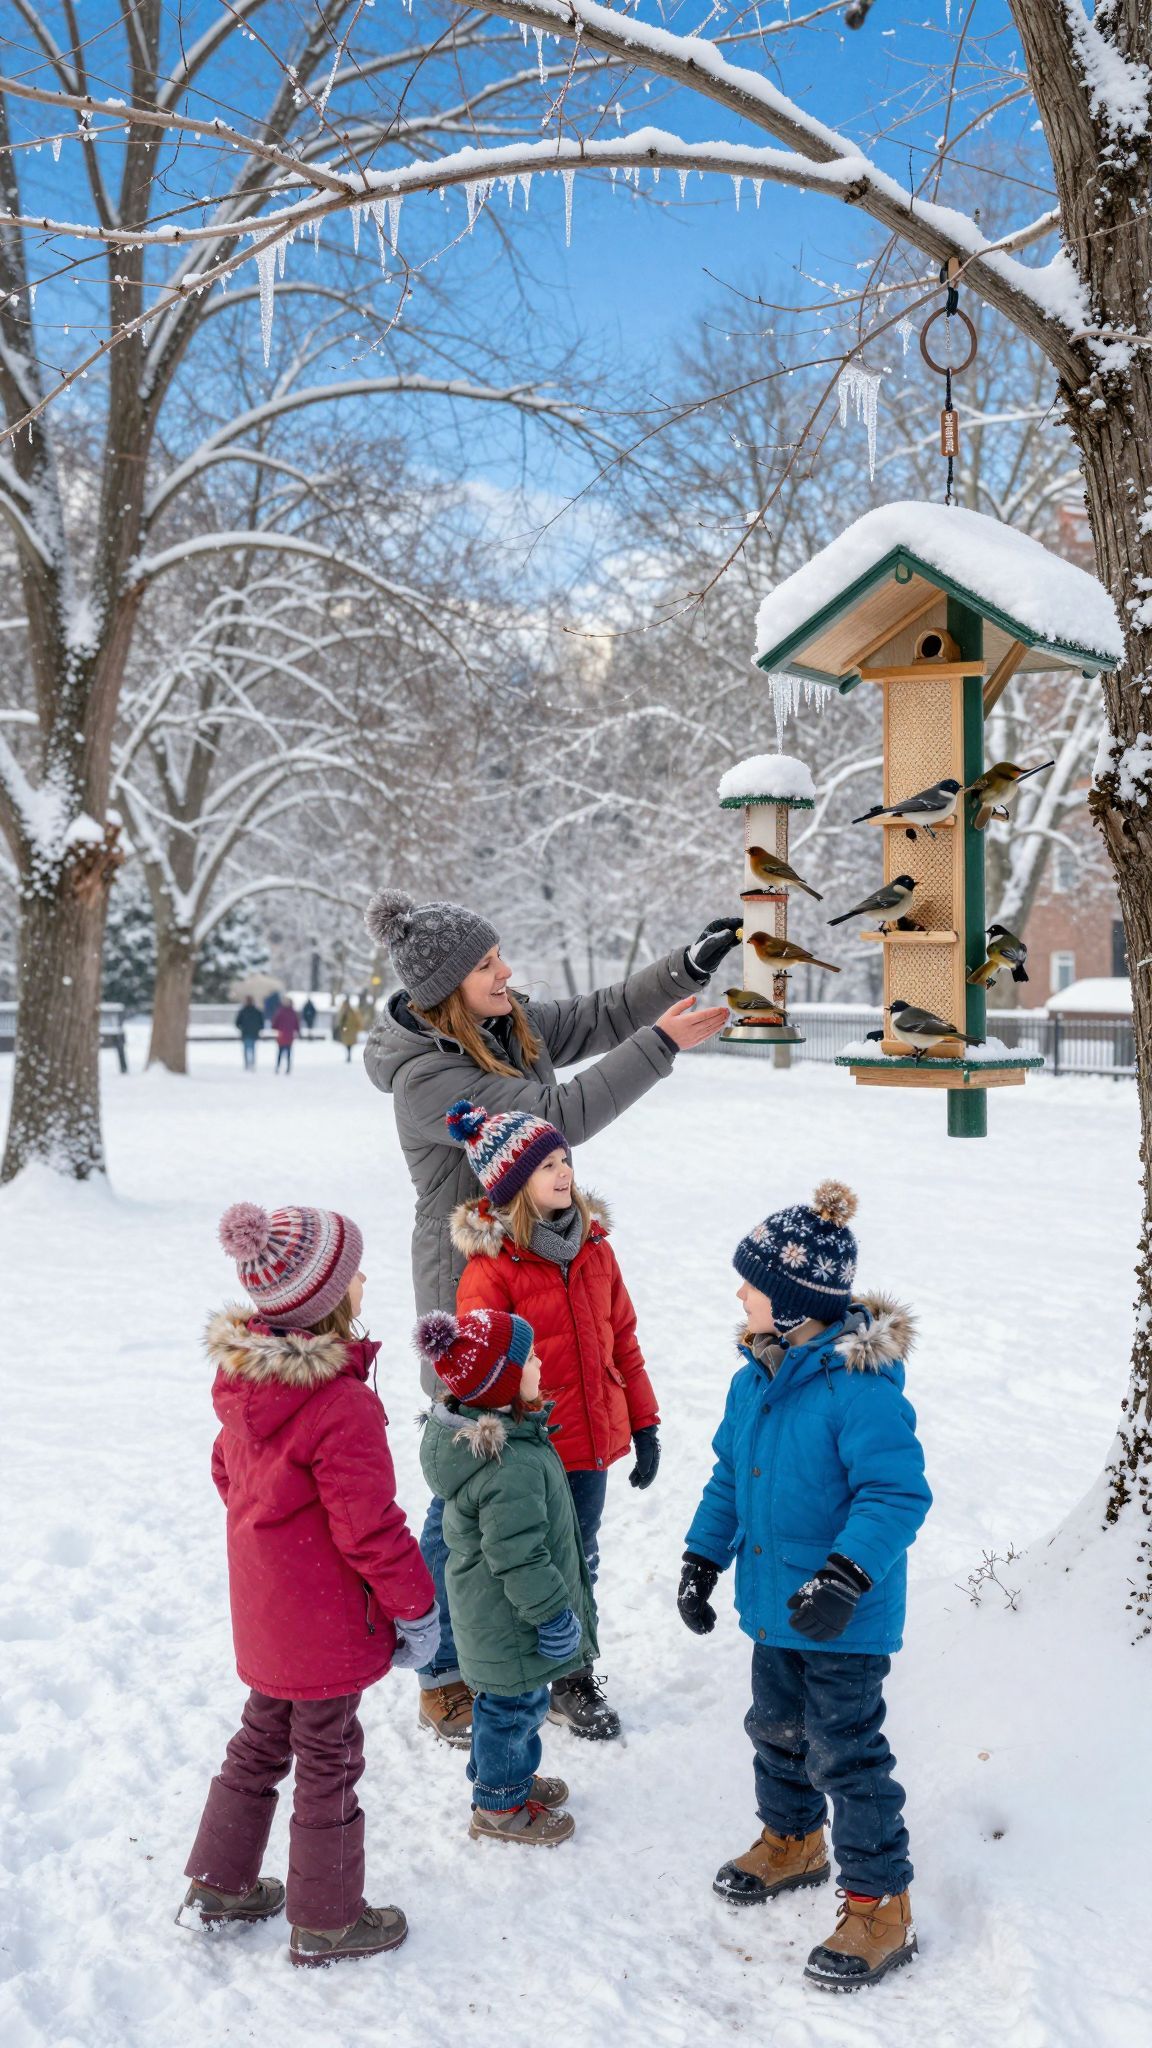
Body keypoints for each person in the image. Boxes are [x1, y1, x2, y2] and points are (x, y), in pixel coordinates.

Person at [361, 886, 735, 1747]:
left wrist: (681, 971)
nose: (508, 971)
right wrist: (663, 1046)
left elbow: (594, 1017)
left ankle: (565, 1665)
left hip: (548, 1262)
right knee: (476, 1490)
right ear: (447, 988)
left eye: (500, 957)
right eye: (489, 964)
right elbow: (552, 1120)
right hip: (476, 1288)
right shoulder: (430, 1081)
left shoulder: (500, 1024)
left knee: (564, 1482)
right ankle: (442, 1667)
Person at [677, 1182, 930, 1993]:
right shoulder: (754, 1379)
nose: (739, 1295)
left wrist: (847, 1574)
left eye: (751, 1284)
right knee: (776, 1729)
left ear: (791, 1306)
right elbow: (730, 1476)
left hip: (843, 1618)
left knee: (846, 1754)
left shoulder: (857, 1393)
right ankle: (793, 1841)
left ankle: (880, 1901)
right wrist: (702, 1557)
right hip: (772, 1606)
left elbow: (896, 1495)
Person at [179, 1200, 439, 1967]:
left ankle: (220, 1881)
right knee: (328, 1754)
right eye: (353, 1268)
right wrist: (416, 1610)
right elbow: (370, 1527)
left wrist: (275, 1546)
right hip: (324, 1621)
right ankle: (328, 1919)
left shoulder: (246, 1386)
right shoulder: (339, 1404)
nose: (365, 1276)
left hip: (267, 1613)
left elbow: (228, 1474)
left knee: (262, 1736)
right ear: (326, 1300)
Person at [448, 1098, 658, 1741]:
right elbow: (481, 1367)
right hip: (531, 1450)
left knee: (582, 1557)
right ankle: (519, 1676)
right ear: (513, 1186)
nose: (563, 1173)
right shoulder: (491, 1269)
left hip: (591, 1439)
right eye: (545, 1166)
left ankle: (572, 1677)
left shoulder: (594, 1247)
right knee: (528, 1562)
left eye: (564, 1159)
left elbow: (622, 1335)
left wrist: (644, 1420)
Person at [415, 1307, 597, 1846]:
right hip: (511, 1618)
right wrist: (551, 1615)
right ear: (505, 1383)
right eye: (530, 1357)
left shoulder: (506, 1440)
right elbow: (518, 1556)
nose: (540, 1361)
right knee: (512, 1709)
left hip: (497, 1615)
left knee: (514, 1705)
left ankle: (507, 1775)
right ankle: (499, 1806)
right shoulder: (508, 1464)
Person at [272, 997, 300, 1074]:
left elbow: (275, 1023)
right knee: (288, 1053)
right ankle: (288, 1068)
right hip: (289, 1036)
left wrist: (276, 1027)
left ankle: (278, 1067)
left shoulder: (280, 1012)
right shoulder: (292, 1013)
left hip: (282, 1035)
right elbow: (296, 1024)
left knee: (280, 1052)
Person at [234, 996, 264, 1071]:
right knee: (251, 1050)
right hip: (250, 1033)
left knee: (248, 1050)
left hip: (247, 1033)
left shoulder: (244, 1011)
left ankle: (248, 1064)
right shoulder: (256, 1011)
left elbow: (237, 1023)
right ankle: (250, 1064)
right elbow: (261, 1023)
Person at [336, 996, 362, 1064]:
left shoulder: (351, 1011)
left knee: (349, 1044)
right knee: (347, 1044)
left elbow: (356, 1020)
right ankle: (348, 1055)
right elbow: (340, 1021)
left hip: (350, 1030)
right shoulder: (344, 1012)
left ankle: (349, 1055)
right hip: (346, 1030)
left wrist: (357, 1027)